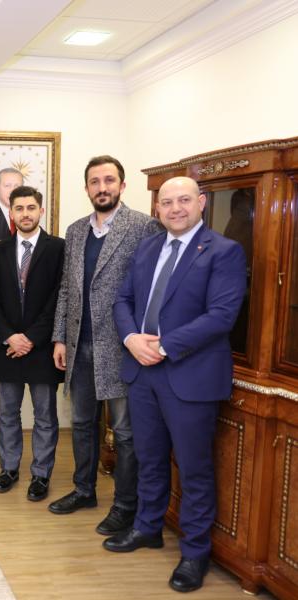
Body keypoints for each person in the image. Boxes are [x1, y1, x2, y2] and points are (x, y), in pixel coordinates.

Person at [107, 176, 247, 593]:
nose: (175, 209)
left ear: (201, 202)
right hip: (142, 372)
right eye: (167, 202)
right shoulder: (148, 246)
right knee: (149, 458)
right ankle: (148, 527)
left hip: (190, 375)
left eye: (184, 200)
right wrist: (131, 339)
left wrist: (164, 346)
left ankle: (194, 553)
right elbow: (123, 300)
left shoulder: (223, 251)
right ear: (157, 208)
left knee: (193, 468)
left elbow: (221, 315)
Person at [50, 155, 161, 534]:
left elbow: (152, 290)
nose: (102, 188)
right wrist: (60, 337)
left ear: (122, 185)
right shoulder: (76, 230)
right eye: (95, 182)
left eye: (109, 180)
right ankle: (84, 491)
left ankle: (125, 506)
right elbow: (67, 288)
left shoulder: (144, 227)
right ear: (86, 188)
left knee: (125, 433)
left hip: (122, 348)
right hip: (79, 346)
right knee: (82, 423)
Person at [0, 186, 65, 501]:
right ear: (11, 213)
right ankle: (8, 469)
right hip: (7, 346)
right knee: (7, 413)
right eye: (19, 208)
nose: (25, 214)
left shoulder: (58, 248)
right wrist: (9, 335)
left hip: (42, 347)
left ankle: (41, 474)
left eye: (31, 207)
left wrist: (31, 337)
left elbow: (59, 298)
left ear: (41, 210)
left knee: (44, 415)